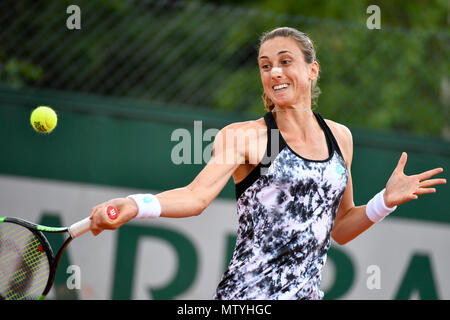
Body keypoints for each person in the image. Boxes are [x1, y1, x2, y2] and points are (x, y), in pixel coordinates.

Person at [89, 27, 446, 299]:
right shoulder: (249, 137)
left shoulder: (339, 137)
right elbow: (195, 197)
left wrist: (384, 202)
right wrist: (135, 204)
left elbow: (339, 228)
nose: (274, 72)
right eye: (265, 65)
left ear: (312, 71)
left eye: (285, 62)